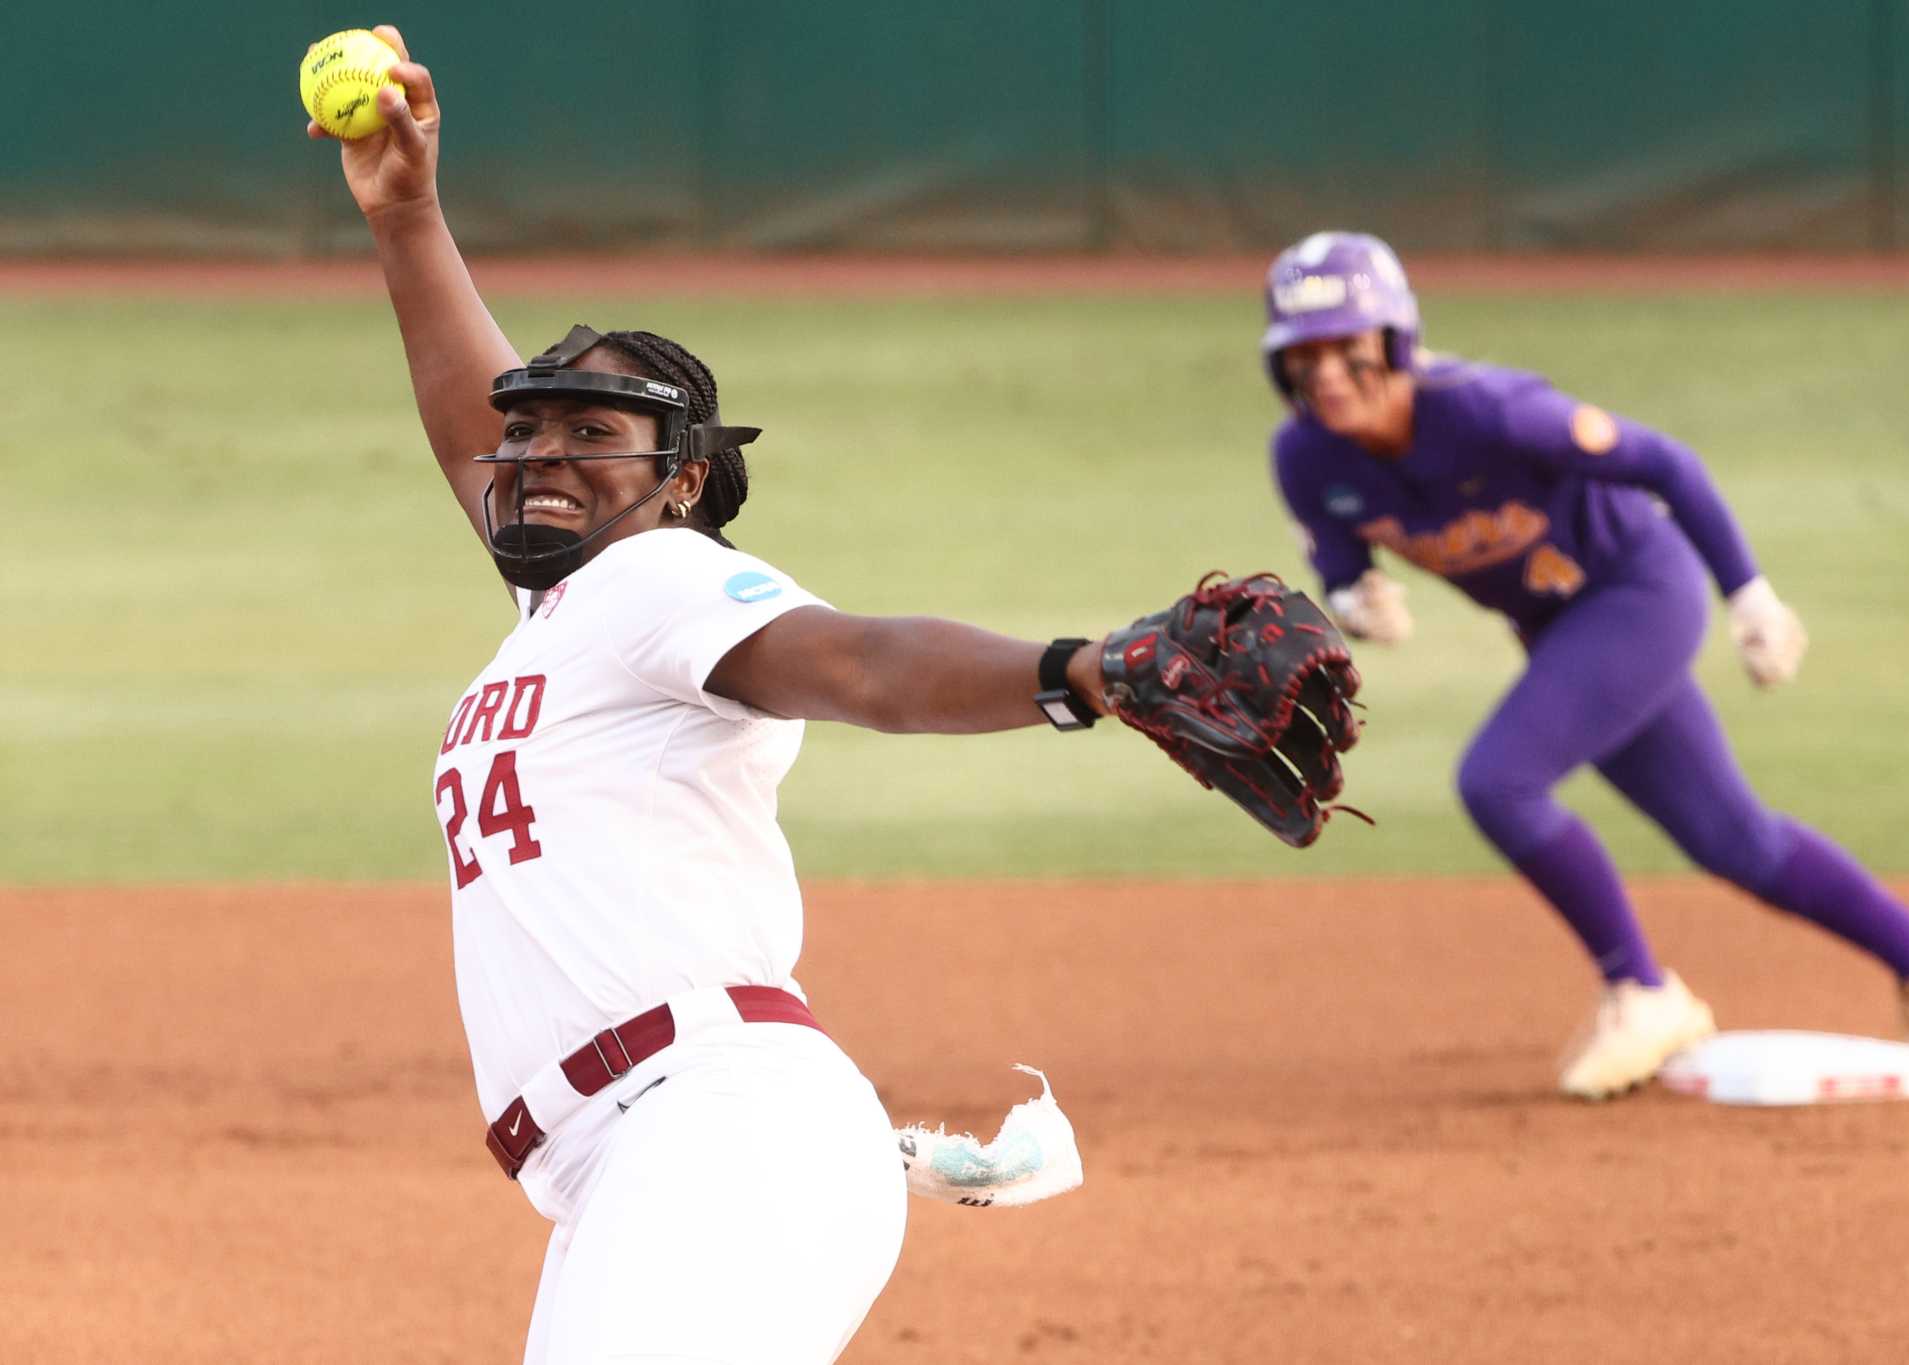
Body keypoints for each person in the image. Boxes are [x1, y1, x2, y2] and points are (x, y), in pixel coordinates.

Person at [310, 29, 1356, 1365]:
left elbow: (862, 663)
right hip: (648, 1164)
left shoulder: (663, 582)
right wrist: (406, 214)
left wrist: (1075, 674)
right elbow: (479, 437)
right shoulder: (565, 617)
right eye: (529, 432)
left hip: (715, 1137)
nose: (537, 458)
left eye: (592, 435)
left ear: (681, 481)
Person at [1258, 231, 1909, 1100]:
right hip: (1556, 628)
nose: (1326, 374)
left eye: (1348, 347)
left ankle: (1642, 990)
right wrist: (1352, 597)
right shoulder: (1306, 458)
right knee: (1736, 841)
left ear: (1396, 340)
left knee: (1498, 783)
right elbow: (1343, 556)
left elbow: (1665, 462)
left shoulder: (1490, 411)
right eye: (1301, 356)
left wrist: (1750, 595)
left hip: (1638, 592)